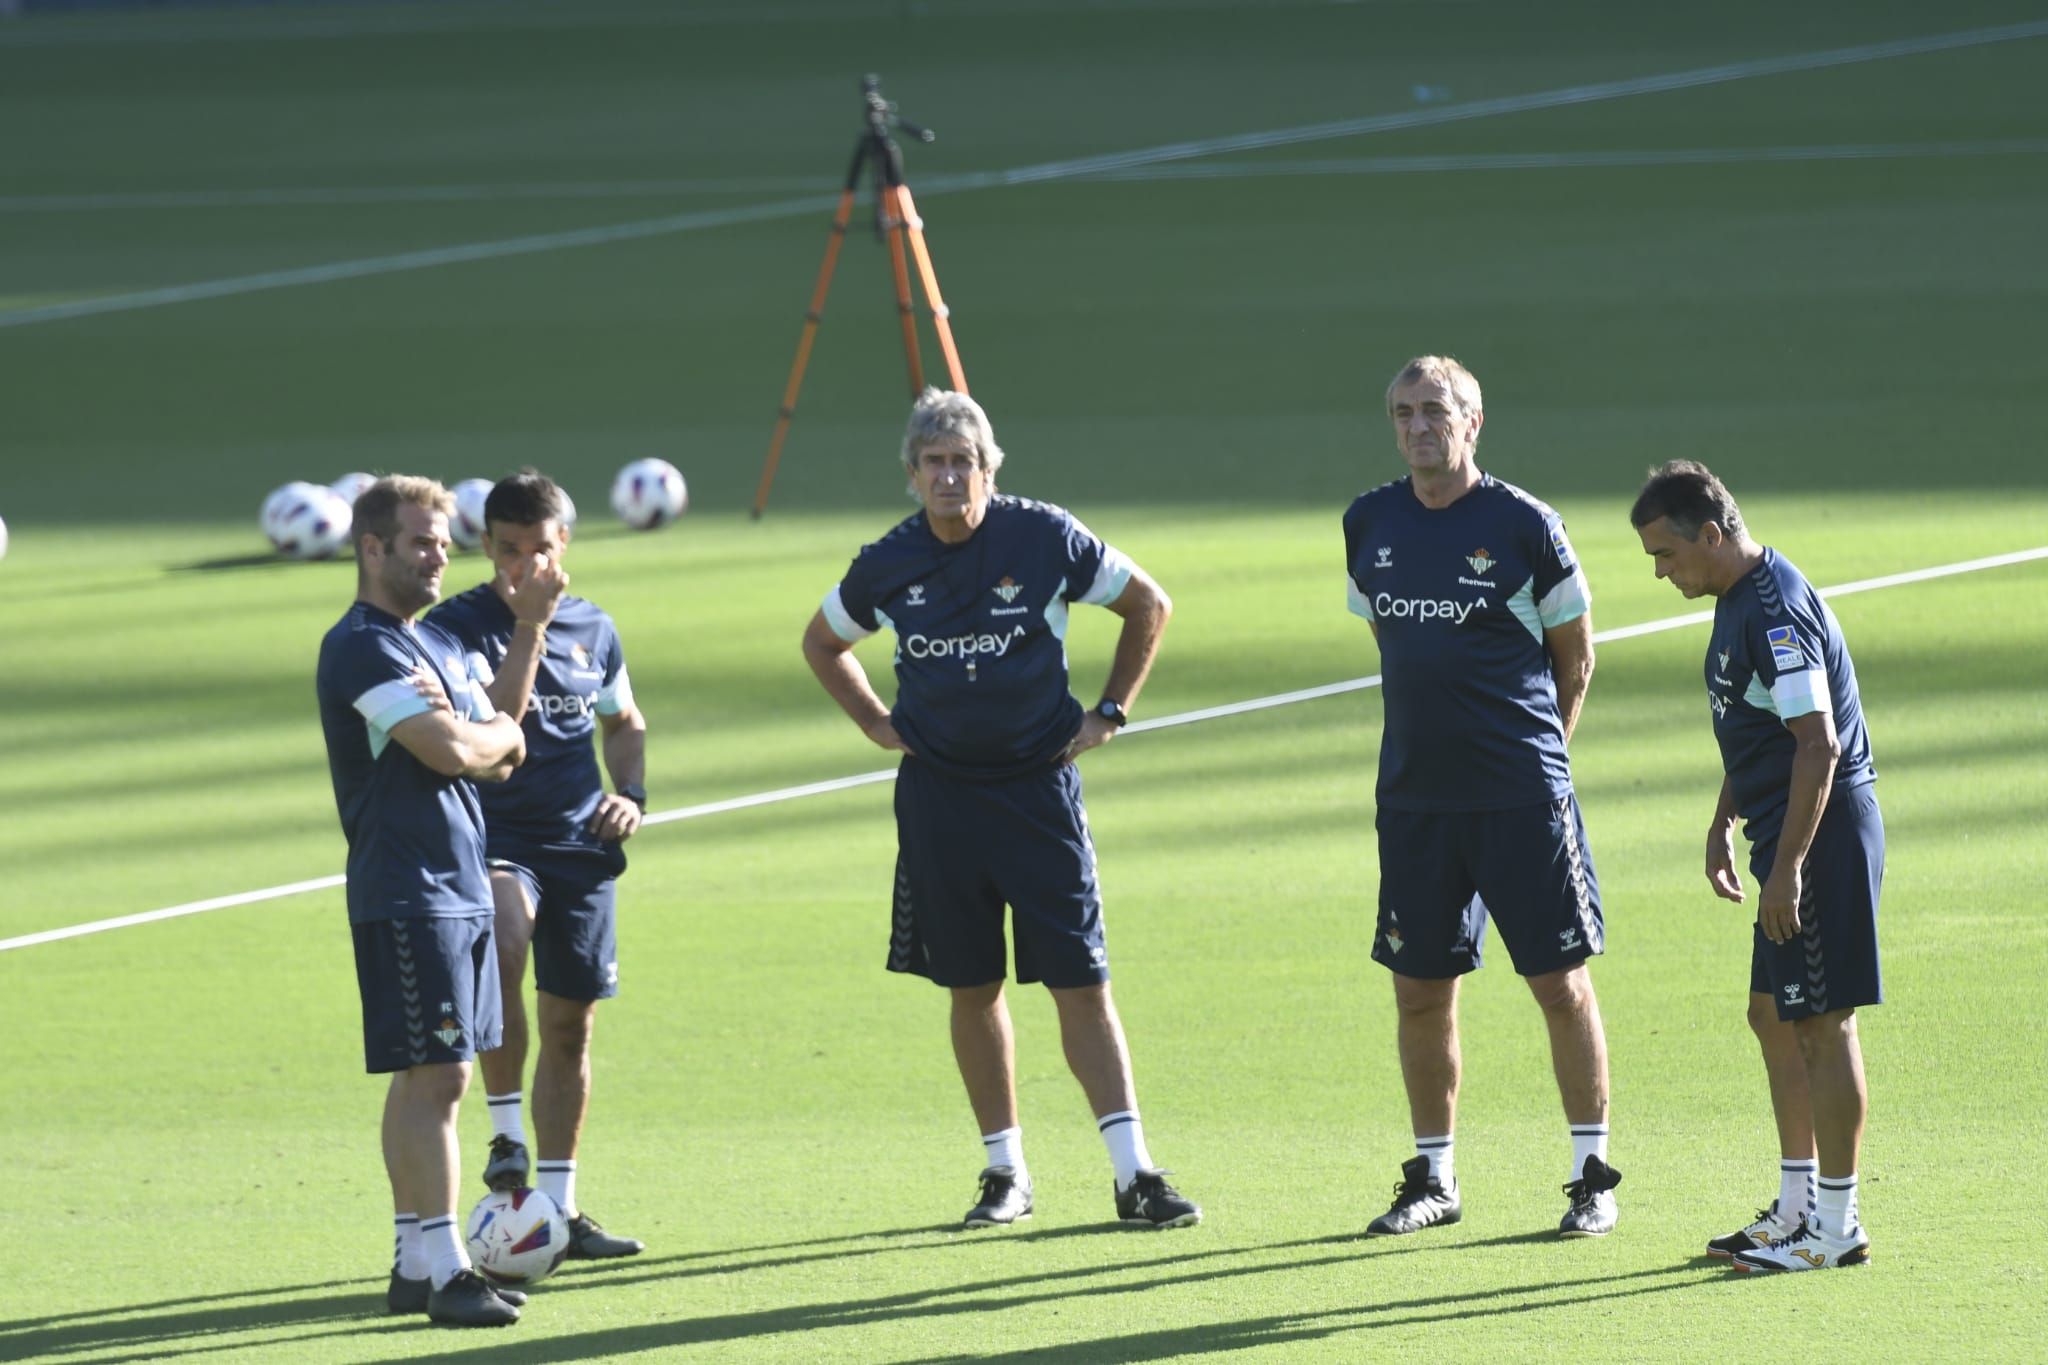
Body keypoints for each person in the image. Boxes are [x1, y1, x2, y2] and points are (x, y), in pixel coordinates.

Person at [801, 388, 1200, 1230]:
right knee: (971, 984)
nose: (951, 477)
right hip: (940, 800)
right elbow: (823, 640)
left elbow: (1148, 605)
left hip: (1038, 793)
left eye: (965, 463)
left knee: (1080, 981)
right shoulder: (889, 560)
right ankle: (1004, 1173)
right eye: (935, 463)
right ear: (912, 475)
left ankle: (1135, 1174)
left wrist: (1111, 712)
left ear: (991, 470)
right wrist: (876, 721)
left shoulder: (1044, 535)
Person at [1342, 355, 1620, 1238]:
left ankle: (1592, 1176)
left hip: (1519, 800)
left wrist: (1542, 753)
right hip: (1416, 803)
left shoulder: (1526, 525)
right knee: (1420, 992)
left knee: (1559, 984)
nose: (1419, 426)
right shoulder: (1367, 522)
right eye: (1404, 412)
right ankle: (1435, 1176)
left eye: (1435, 411)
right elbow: (1392, 639)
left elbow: (1575, 654)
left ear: (1473, 421)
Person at [1631, 460, 1880, 1272]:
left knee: (1822, 1019)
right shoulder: (1736, 599)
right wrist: (1721, 816)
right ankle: (1798, 1204)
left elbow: (1819, 744)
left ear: (1712, 534)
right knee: (1773, 1015)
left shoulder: (1772, 612)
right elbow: (1761, 723)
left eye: (1666, 554)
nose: (1662, 572)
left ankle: (1836, 1228)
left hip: (1820, 835)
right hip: (1782, 830)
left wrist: (1789, 870)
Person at [315, 475, 544, 1327]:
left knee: (425, 1073)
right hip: (408, 890)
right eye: (421, 542)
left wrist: (483, 736)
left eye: (445, 542)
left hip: (458, 885)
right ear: (372, 548)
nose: (439, 555)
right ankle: (449, 1270)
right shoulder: (360, 647)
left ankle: (415, 1261)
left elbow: (505, 735)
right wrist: (481, 739)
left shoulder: (435, 644)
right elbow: (452, 749)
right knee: (442, 1076)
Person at [428, 471, 648, 1261]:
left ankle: (556, 1208)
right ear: (486, 547)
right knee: (505, 938)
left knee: (571, 1022)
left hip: (581, 845)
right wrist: (529, 624)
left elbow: (625, 722)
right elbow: (499, 732)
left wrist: (631, 793)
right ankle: (506, 1136)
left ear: (566, 548)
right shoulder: (454, 627)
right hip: (495, 835)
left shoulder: (595, 627)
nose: (524, 565)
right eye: (509, 549)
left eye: (540, 549)